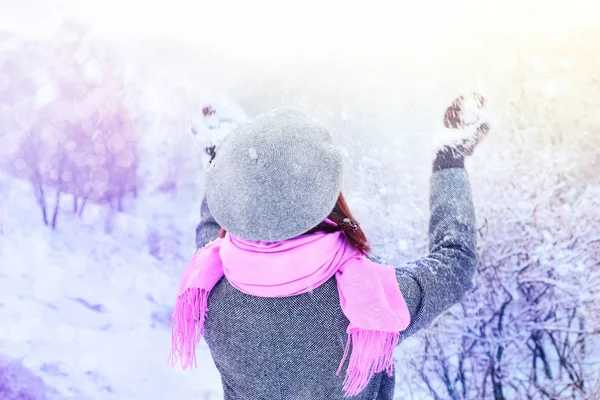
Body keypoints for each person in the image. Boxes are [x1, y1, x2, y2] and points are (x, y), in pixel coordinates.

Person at [173, 96, 491, 399]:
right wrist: (449, 160)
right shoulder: (368, 301)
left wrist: (226, 165)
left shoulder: (210, 287)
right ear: (329, 199)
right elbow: (454, 263)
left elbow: (212, 229)